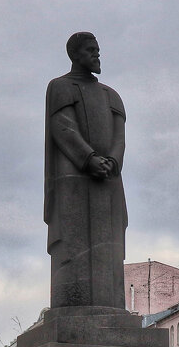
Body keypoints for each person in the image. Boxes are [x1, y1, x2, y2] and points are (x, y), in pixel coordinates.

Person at [44, 32, 127, 309]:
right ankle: (71, 306)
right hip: (74, 181)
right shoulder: (60, 87)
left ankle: (111, 306)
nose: (97, 55)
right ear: (74, 55)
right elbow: (63, 128)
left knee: (110, 249)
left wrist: (112, 162)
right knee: (73, 244)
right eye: (91, 50)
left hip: (109, 180)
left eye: (98, 50)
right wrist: (89, 159)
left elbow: (119, 137)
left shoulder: (111, 95)